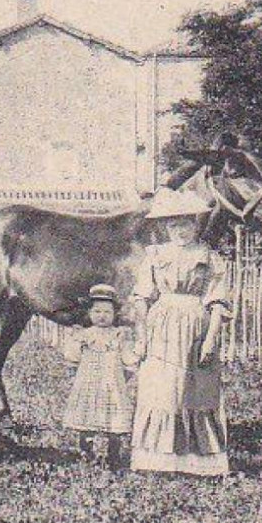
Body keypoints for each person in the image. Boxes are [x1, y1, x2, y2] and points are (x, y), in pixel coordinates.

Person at [128, 189, 233, 478]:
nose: (180, 231)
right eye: (174, 225)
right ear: (165, 227)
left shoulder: (208, 258)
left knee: (194, 390)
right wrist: (142, 334)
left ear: (195, 225)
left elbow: (218, 302)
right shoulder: (155, 255)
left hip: (196, 329)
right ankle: (157, 460)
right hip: (161, 328)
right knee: (162, 389)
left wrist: (210, 339)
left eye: (186, 224)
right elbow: (141, 297)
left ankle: (198, 462)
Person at [61, 283, 140, 471]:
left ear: (115, 314)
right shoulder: (85, 335)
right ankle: (86, 452)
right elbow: (72, 356)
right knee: (87, 420)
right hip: (89, 383)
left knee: (114, 421)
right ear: (89, 313)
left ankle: (113, 455)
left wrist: (133, 360)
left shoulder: (119, 335)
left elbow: (128, 358)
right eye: (97, 312)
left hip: (112, 384)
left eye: (107, 312)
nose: (102, 316)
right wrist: (73, 342)